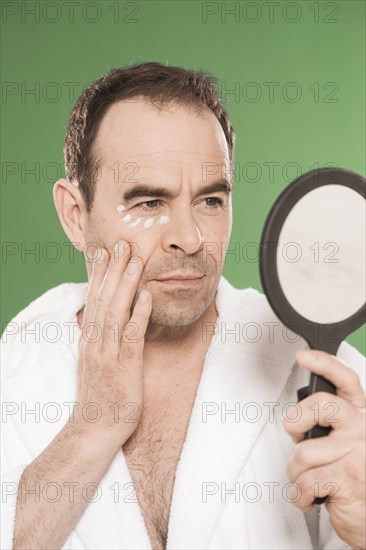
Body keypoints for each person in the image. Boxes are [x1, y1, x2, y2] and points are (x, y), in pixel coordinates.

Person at [1, 62, 365, 550]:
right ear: (76, 214)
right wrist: (95, 425)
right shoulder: (17, 369)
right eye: (149, 203)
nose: (190, 239)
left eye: (211, 201)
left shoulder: (333, 383)